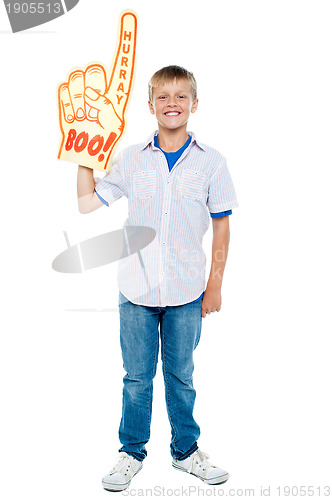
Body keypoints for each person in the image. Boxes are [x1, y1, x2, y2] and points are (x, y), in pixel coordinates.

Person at [77, 65, 238, 492]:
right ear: (150, 105)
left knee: (181, 375)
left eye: (181, 96)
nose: (172, 103)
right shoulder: (130, 158)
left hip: (188, 290)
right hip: (137, 288)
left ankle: (186, 452)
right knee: (136, 378)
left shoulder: (212, 163)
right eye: (163, 97)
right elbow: (87, 204)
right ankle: (131, 453)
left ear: (195, 104)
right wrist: (83, 157)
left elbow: (221, 226)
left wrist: (215, 284)